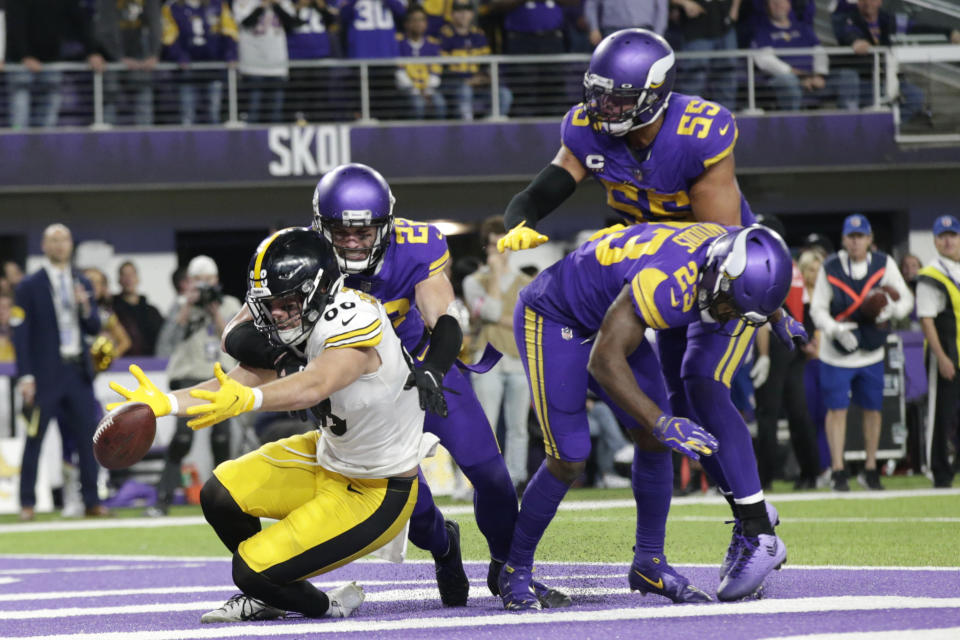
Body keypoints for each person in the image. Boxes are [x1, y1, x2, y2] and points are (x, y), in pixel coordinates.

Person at [498, 28, 803, 600]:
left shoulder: (700, 139)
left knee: (693, 392)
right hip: (583, 303)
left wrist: (771, 301)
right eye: (600, 95)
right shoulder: (591, 133)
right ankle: (512, 569)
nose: (602, 109)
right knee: (579, 452)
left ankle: (712, 540)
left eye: (618, 99)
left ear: (657, 93)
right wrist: (523, 213)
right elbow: (604, 356)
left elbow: (726, 239)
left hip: (689, 263)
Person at [221, 164, 567, 609]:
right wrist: (293, 360)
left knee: (491, 475)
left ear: (385, 225)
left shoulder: (414, 246)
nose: (351, 242)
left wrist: (435, 369)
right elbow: (237, 333)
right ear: (321, 226)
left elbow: (444, 317)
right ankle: (444, 547)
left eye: (363, 233)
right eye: (341, 232)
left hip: (422, 368)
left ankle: (509, 568)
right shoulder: (304, 253)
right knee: (412, 507)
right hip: (355, 387)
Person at [108, 227, 437, 622]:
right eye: (270, 304)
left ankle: (323, 605)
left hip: (375, 489)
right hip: (328, 458)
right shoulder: (306, 315)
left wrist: (251, 400)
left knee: (250, 571)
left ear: (319, 289)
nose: (277, 313)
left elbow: (316, 384)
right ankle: (272, 590)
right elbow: (238, 382)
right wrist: (164, 403)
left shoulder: (354, 318)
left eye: (286, 302)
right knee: (219, 494)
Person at [499, 222, 792, 610]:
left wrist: (774, 313)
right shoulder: (667, 284)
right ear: (718, 272)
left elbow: (752, 280)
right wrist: (661, 420)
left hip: (612, 314)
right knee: (570, 457)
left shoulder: (733, 248)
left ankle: (648, 563)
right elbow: (604, 359)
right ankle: (514, 569)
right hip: (557, 317)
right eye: (727, 305)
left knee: (654, 441)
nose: (724, 316)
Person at [809, 213, 913, 491]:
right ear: (843, 240)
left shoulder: (884, 264)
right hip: (838, 349)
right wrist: (834, 330)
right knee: (837, 410)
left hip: (871, 348)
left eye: (860, 237)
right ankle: (839, 470)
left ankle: (870, 468)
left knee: (873, 410)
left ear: (869, 239)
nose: (855, 242)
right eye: (850, 237)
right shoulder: (830, 267)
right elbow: (817, 308)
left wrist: (892, 309)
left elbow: (905, 300)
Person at [12, 224, 108, 521]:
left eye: (64, 239)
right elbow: (21, 333)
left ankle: (92, 501)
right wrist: (26, 376)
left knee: (88, 439)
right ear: (44, 246)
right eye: (54, 240)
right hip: (45, 375)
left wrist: (85, 306)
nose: (60, 245)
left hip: (77, 372)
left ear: (70, 244)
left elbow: (94, 327)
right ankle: (27, 503)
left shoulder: (82, 282)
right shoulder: (29, 286)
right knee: (35, 437)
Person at [151, 255, 242, 516]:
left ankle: (227, 502)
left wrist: (215, 313)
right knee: (182, 438)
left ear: (217, 281)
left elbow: (236, 342)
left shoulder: (230, 304)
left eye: (209, 280)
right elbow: (164, 346)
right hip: (188, 375)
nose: (204, 286)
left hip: (221, 375)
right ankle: (162, 499)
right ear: (189, 282)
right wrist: (186, 308)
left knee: (222, 439)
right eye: (198, 281)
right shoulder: (180, 305)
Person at [463, 216, 532, 494]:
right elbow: (489, 312)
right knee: (485, 426)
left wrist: (499, 318)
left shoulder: (526, 282)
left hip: (517, 359)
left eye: (502, 245)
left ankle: (516, 480)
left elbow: (527, 321)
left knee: (518, 427)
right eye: (492, 246)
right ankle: (482, 481)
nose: (498, 251)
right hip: (487, 360)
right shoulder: (473, 281)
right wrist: (494, 277)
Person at [833, 0, 960, 124]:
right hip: (863, 83)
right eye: (864, 0)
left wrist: (948, 33)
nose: (868, 3)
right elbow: (848, 33)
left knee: (915, 96)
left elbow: (917, 27)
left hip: (885, 80)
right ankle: (855, 128)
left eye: (872, 0)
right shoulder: (849, 19)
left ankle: (887, 127)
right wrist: (856, 41)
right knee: (850, 82)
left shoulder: (889, 20)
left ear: (880, 2)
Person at [5, 0, 106, 129]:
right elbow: (14, 23)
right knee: (20, 111)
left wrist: (92, 52)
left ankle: (44, 145)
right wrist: (24, 56)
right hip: (19, 63)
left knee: (49, 115)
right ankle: (16, 142)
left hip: (51, 60)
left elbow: (80, 22)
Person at [915, 215, 960, 489]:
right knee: (940, 415)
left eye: (952, 235)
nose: (947, 240)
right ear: (934, 241)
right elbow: (927, 320)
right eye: (942, 236)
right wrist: (941, 357)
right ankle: (940, 471)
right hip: (944, 354)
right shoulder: (931, 275)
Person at [750, 0, 858, 112]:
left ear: (789, 5)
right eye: (773, 3)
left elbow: (819, 52)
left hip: (814, 79)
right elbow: (764, 60)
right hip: (788, 80)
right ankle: (793, 123)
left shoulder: (803, 28)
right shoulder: (763, 32)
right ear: (767, 7)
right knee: (788, 81)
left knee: (848, 76)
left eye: (782, 2)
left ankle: (852, 120)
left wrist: (819, 75)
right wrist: (799, 76)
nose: (778, 5)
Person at [161, 0, 239, 126]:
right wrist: (180, 56)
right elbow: (168, 36)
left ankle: (212, 144)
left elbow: (230, 30)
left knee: (213, 111)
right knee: (187, 113)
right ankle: (186, 144)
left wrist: (231, 54)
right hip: (186, 72)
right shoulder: (172, 7)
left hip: (213, 68)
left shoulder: (218, 4)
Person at [440, 1, 512, 121]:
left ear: (472, 14)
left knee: (504, 94)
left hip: (479, 84)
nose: (463, 15)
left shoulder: (478, 35)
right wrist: (466, 81)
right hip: (455, 84)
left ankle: (492, 124)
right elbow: (442, 68)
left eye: (467, 11)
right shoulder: (445, 35)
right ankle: (467, 127)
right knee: (465, 91)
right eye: (459, 11)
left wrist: (485, 77)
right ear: (452, 14)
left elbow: (487, 63)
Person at [95, 0, 163, 126]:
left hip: (140, 57)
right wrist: (119, 57)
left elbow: (155, 23)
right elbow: (102, 30)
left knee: (144, 98)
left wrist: (154, 53)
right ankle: (108, 141)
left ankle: (145, 138)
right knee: (111, 98)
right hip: (111, 59)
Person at [234, 0, 297, 124]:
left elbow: (292, 24)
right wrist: (262, 6)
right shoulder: (243, 2)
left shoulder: (283, 2)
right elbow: (246, 23)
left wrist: (275, 5)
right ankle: (251, 142)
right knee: (254, 110)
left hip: (277, 65)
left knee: (275, 113)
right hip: (253, 65)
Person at [670, 0, 740, 110]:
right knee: (694, 79)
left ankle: (726, 118)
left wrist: (735, 7)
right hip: (697, 27)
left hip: (725, 24)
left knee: (727, 75)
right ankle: (688, 115)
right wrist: (685, 3)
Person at [396, 5, 446, 120]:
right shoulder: (398, 43)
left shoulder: (432, 44)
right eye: (414, 20)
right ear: (406, 24)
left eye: (422, 20)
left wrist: (427, 90)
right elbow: (399, 72)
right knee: (418, 104)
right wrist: (415, 90)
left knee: (440, 103)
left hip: (428, 89)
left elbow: (436, 71)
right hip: (406, 90)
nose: (418, 24)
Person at [83, 267, 132, 370]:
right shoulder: (70, 311)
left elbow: (125, 342)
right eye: (90, 281)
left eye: (98, 283)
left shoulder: (105, 314)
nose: (93, 286)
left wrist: (107, 357)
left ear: (103, 288)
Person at [112, 261, 164, 356]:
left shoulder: (152, 312)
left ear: (137, 278)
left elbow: (162, 339)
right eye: (124, 275)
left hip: (151, 365)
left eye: (131, 274)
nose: (128, 279)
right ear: (119, 280)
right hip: (119, 364)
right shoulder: (112, 310)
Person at [585, 0, 669, 46]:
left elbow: (662, 9)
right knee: (611, 69)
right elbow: (591, 5)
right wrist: (594, 28)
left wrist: (658, 35)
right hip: (611, 32)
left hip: (643, 32)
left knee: (642, 70)